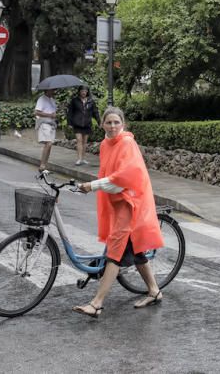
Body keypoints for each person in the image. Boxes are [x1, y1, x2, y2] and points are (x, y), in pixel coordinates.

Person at [75, 108, 165, 316]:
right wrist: (91, 185)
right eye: (109, 122)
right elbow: (110, 175)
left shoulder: (126, 143)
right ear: (102, 125)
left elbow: (123, 178)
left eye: (117, 122)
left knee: (115, 252)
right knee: (134, 248)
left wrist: (93, 185)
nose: (113, 126)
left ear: (123, 123)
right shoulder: (106, 144)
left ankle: (97, 303)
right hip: (118, 202)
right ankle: (154, 290)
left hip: (131, 201)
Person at [67, 86, 101, 166]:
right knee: (79, 140)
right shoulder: (74, 101)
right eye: (82, 91)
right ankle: (79, 159)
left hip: (87, 124)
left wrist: (99, 122)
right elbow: (70, 112)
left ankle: (83, 158)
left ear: (87, 92)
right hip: (77, 124)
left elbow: (95, 112)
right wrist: (69, 123)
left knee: (85, 142)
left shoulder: (91, 101)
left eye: (85, 91)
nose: (83, 92)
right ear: (79, 91)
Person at [34, 88, 58, 171]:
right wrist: (49, 115)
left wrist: (55, 114)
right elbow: (37, 112)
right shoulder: (41, 99)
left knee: (50, 144)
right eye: (52, 90)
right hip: (44, 123)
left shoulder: (52, 100)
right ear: (47, 90)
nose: (53, 91)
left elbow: (53, 112)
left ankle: (45, 164)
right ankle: (42, 165)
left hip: (52, 124)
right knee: (48, 143)